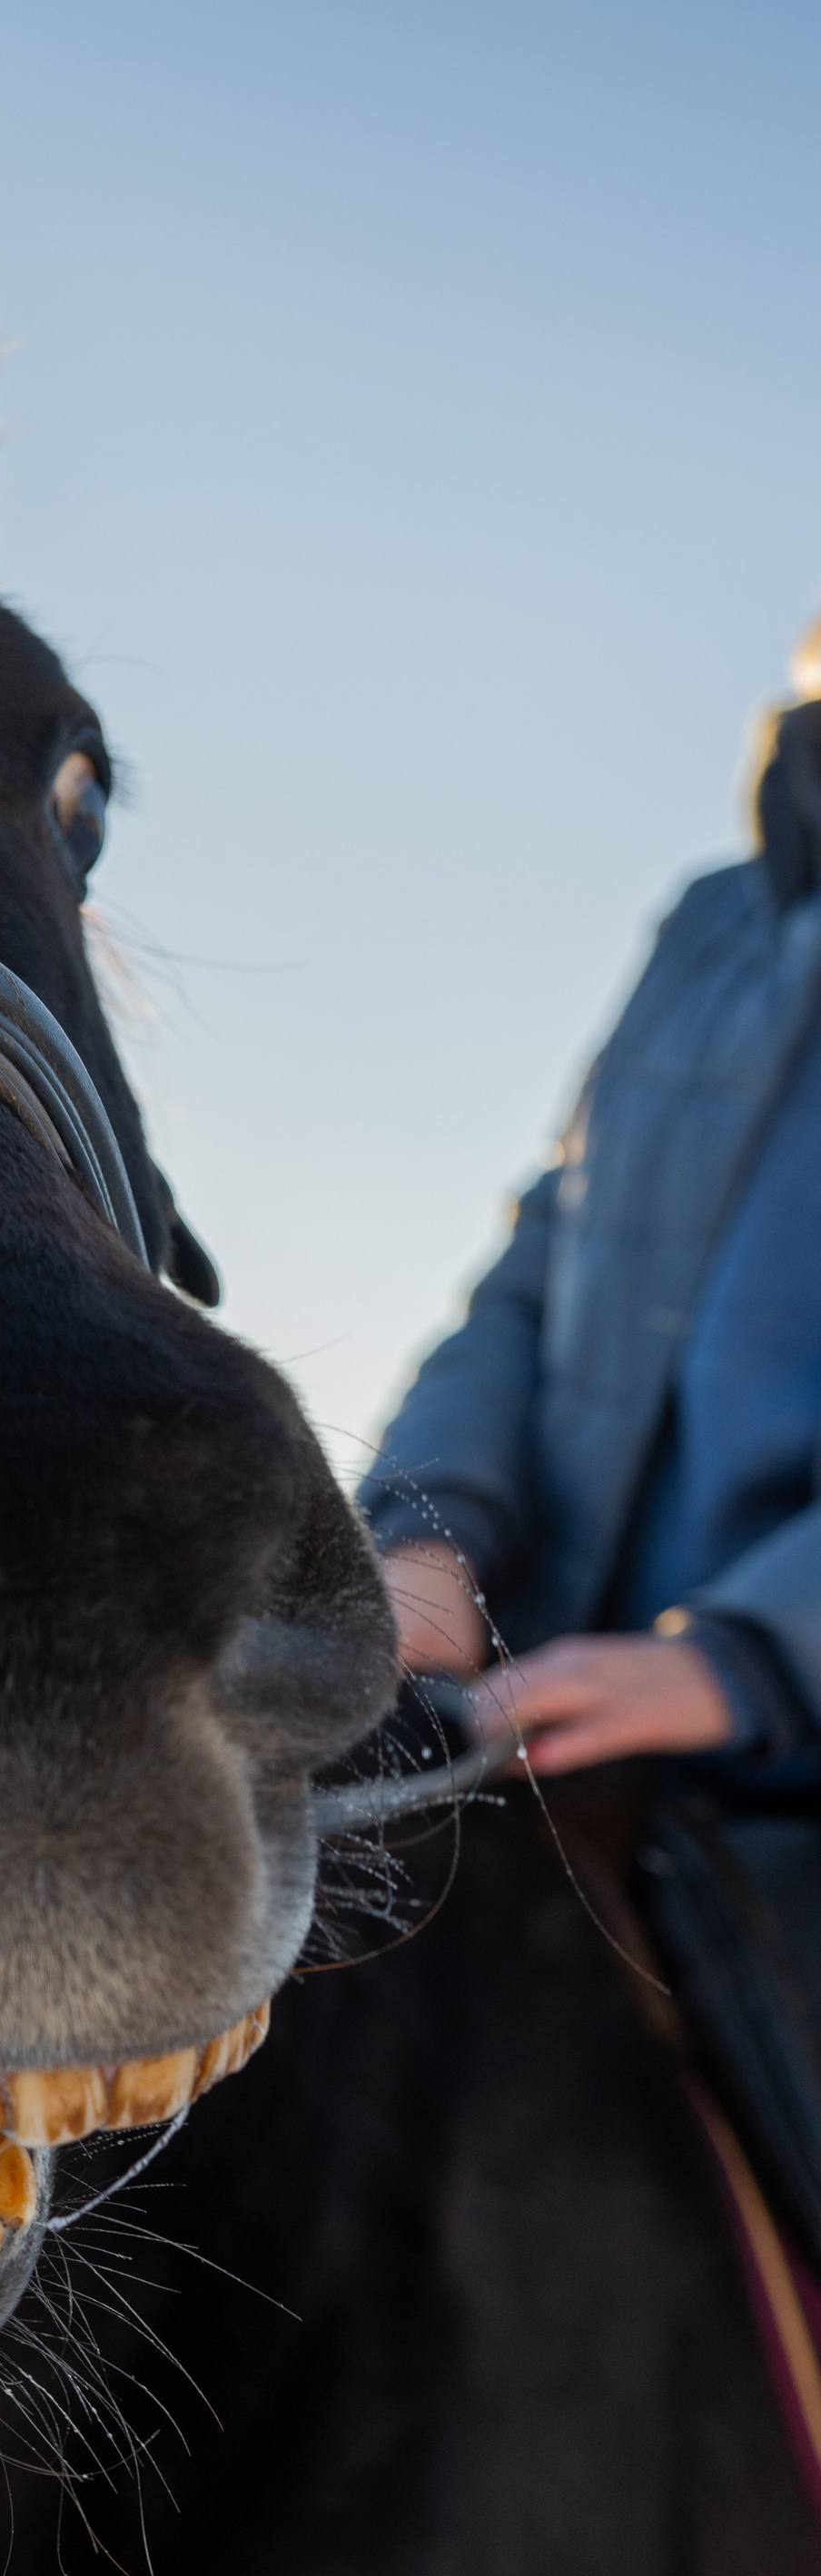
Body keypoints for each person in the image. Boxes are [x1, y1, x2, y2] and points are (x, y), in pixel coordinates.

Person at [361, 616, 821, 1785]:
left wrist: (756, 1660)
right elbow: (543, 1260)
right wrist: (430, 1535)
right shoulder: (709, 924)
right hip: (534, 1729)